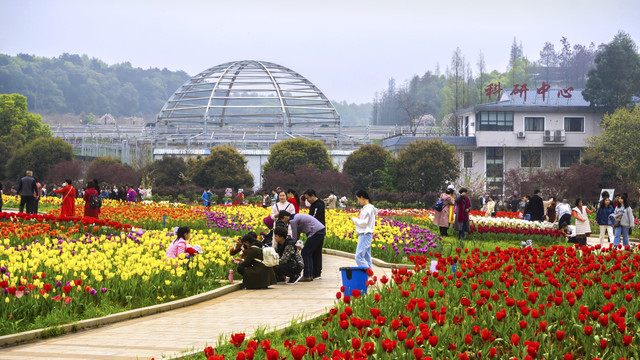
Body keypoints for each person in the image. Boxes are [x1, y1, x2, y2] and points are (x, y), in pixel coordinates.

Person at [277, 210, 325, 282]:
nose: (284, 222)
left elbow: (295, 235)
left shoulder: (292, 220)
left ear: (285, 217)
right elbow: (297, 234)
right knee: (309, 252)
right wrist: (294, 242)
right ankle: (310, 274)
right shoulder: (295, 217)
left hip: (315, 231)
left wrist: (290, 244)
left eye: (283, 220)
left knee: (305, 253)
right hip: (320, 230)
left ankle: (307, 275)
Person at [350, 190, 378, 269]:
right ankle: (369, 279)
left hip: (365, 234)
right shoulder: (368, 208)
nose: (358, 201)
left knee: (359, 257)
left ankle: (369, 273)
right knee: (366, 258)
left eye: (358, 199)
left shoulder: (368, 209)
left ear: (361, 197)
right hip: (366, 234)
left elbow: (364, 223)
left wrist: (354, 219)